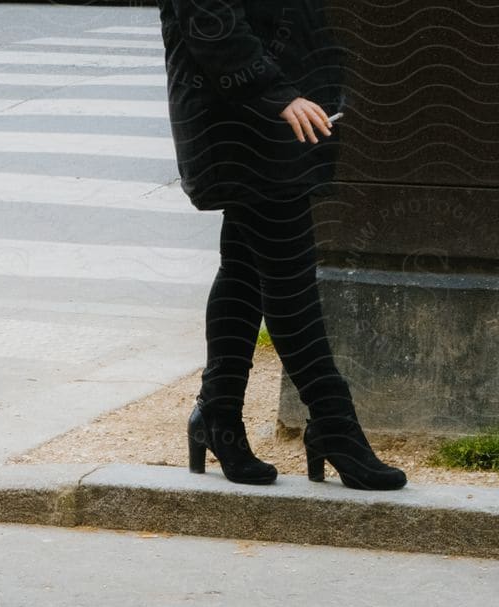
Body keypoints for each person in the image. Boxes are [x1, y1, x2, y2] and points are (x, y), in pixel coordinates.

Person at [160, 0, 405, 489]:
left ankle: (218, 415)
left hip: (285, 110)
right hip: (246, 115)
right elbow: (209, 18)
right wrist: (275, 92)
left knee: (245, 270)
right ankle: (334, 425)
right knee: (291, 281)